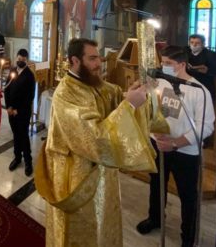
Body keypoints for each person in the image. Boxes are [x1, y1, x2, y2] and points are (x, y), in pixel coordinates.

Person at [35, 38, 154, 247]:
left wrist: (135, 94)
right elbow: (95, 139)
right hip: (76, 179)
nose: (99, 63)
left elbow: (116, 97)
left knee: (104, 227)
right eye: (92, 58)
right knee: (80, 232)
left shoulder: (95, 84)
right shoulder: (65, 95)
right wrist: (129, 106)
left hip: (102, 175)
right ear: (75, 61)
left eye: (98, 57)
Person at [136, 46, 215, 247]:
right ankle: (155, 218)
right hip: (159, 144)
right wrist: (154, 131)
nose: (163, 66)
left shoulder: (199, 91)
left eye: (168, 63)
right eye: (162, 62)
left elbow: (205, 127)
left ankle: (187, 236)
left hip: (185, 151)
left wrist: (174, 143)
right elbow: (152, 107)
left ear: (181, 64)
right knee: (156, 184)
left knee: (187, 195)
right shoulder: (161, 82)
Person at [5, 49, 36, 177]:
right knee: (16, 135)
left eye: (23, 60)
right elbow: (6, 89)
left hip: (22, 112)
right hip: (11, 110)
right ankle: (17, 157)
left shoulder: (29, 76)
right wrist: (8, 107)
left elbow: (30, 97)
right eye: (19, 59)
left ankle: (28, 162)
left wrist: (18, 110)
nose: (20, 61)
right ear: (16, 58)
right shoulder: (13, 71)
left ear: (26, 61)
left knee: (23, 136)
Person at [185, 34, 216, 105]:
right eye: (192, 42)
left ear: (203, 44)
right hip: (187, 86)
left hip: (204, 87)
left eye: (197, 43)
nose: (194, 45)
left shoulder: (211, 55)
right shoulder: (185, 52)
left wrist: (208, 70)